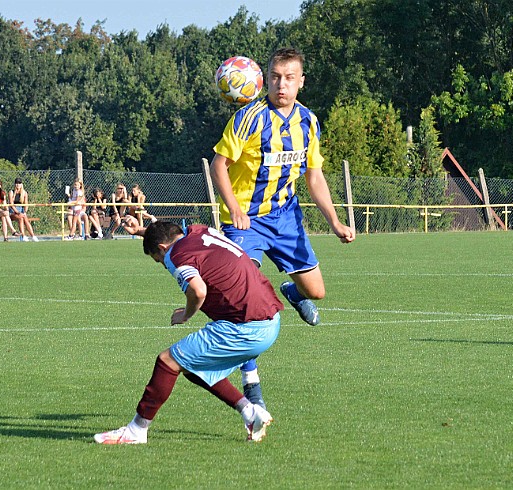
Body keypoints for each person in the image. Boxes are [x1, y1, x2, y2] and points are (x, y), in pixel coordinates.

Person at [209, 47, 356, 407]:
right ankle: (251, 381)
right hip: (245, 220)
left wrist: (334, 221)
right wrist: (233, 209)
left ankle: (292, 291)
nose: (281, 84)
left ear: (300, 82)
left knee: (317, 292)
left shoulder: (309, 121)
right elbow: (218, 165)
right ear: (266, 79)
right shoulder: (249, 117)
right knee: (241, 301)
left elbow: (315, 175)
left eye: (289, 78)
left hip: (286, 220)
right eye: (275, 77)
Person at [94, 219, 283, 445]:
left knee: (168, 361)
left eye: (160, 261)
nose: (165, 265)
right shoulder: (198, 231)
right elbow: (166, 234)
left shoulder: (176, 256)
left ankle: (137, 430)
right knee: (193, 366)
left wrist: (186, 315)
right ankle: (250, 413)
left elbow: (198, 290)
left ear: (163, 249)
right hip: (270, 318)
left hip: (247, 327)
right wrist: (142, 231)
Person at [9, 178, 39, 242]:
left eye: (19, 183)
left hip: (21, 210)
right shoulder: (11, 192)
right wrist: (17, 212)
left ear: (21, 184)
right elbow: (11, 204)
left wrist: (24, 211)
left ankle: (32, 236)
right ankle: (23, 236)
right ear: (14, 184)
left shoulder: (24, 193)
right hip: (13, 211)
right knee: (21, 217)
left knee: (24, 218)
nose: (18, 185)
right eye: (16, 183)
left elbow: (26, 204)